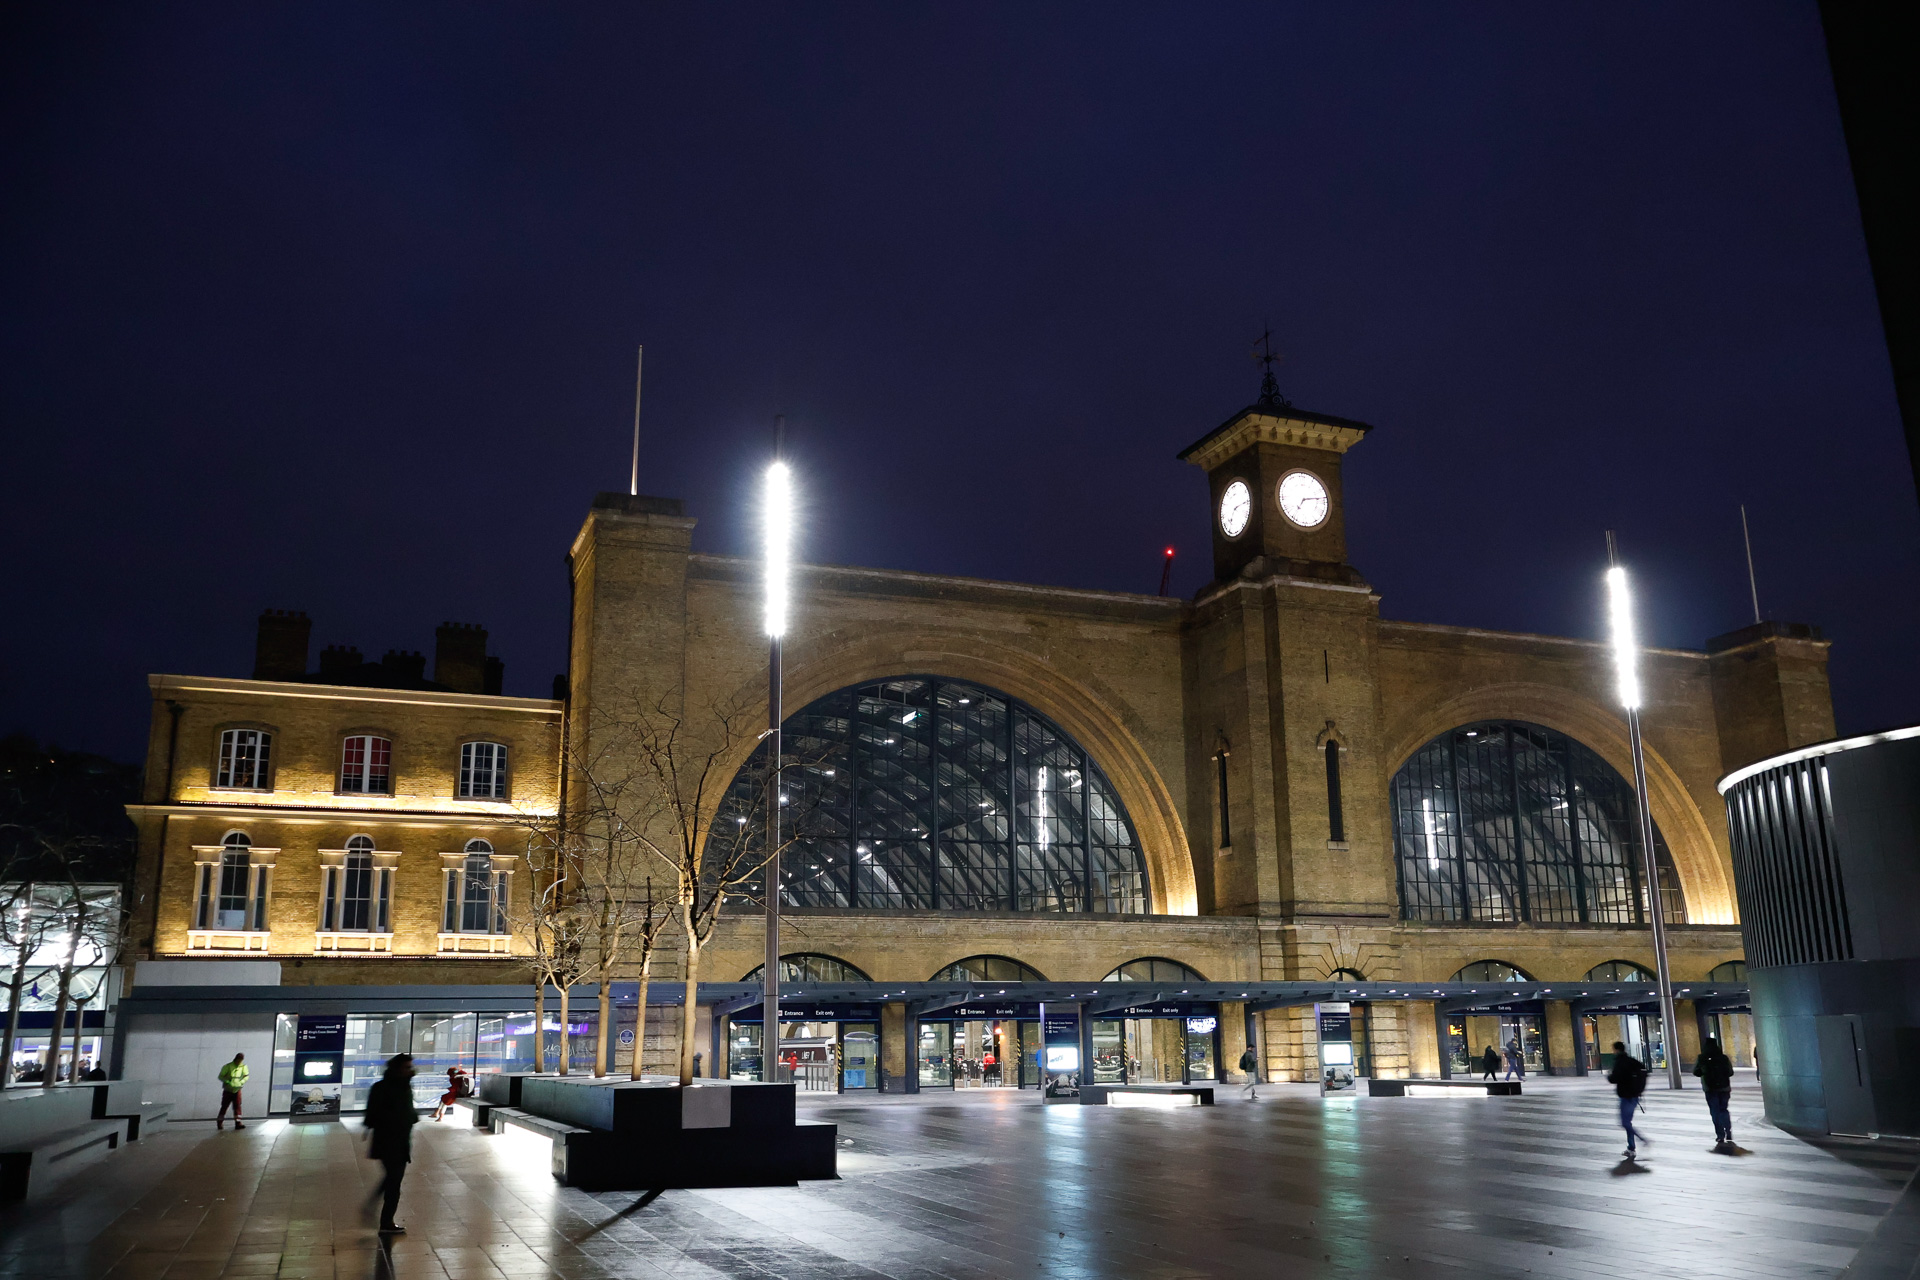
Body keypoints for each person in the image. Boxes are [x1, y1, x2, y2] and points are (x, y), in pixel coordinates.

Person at [363, 1053, 418, 1234]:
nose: (409, 1070)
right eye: (406, 1067)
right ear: (397, 1068)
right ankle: (385, 1222)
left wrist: (411, 1117)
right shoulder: (386, 1088)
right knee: (394, 1182)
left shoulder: (403, 1086)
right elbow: (375, 1114)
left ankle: (376, 1210)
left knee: (392, 1179)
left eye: (410, 1067)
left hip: (399, 1141)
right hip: (389, 1141)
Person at [1607, 1040, 1652, 1158]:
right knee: (1628, 1123)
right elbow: (1644, 1072)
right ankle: (1631, 1148)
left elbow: (1613, 1079)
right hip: (1635, 1096)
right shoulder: (1632, 1061)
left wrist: (1609, 1075)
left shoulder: (1620, 1062)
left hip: (1625, 1097)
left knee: (1625, 1123)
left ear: (1616, 1050)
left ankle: (1642, 1140)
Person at [1692, 1036, 1736, 1145]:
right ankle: (1728, 1130)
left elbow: (1695, 1072)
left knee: (1715, 1111)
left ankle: (1720, 1135)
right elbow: (1730, 1072)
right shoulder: (1723, 1058)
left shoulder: (1702, 1058)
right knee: (1723, 1109)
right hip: (1724, 1088)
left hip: (1710, 1088)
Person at [216, 1053, 249, 1129]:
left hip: (237, 1089)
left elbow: (246, 1076)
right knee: (224, 1106)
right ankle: (219, 1122)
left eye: (240, 1060)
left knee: (237, 1106)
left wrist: (241, 1082)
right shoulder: (228, 1066)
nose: (239, 1062)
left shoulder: (243, 1067)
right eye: (238, 1060)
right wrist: (227, 1081)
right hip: (228, 1089)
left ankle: (238, 1123)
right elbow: (221, 1076)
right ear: (235, 1059)